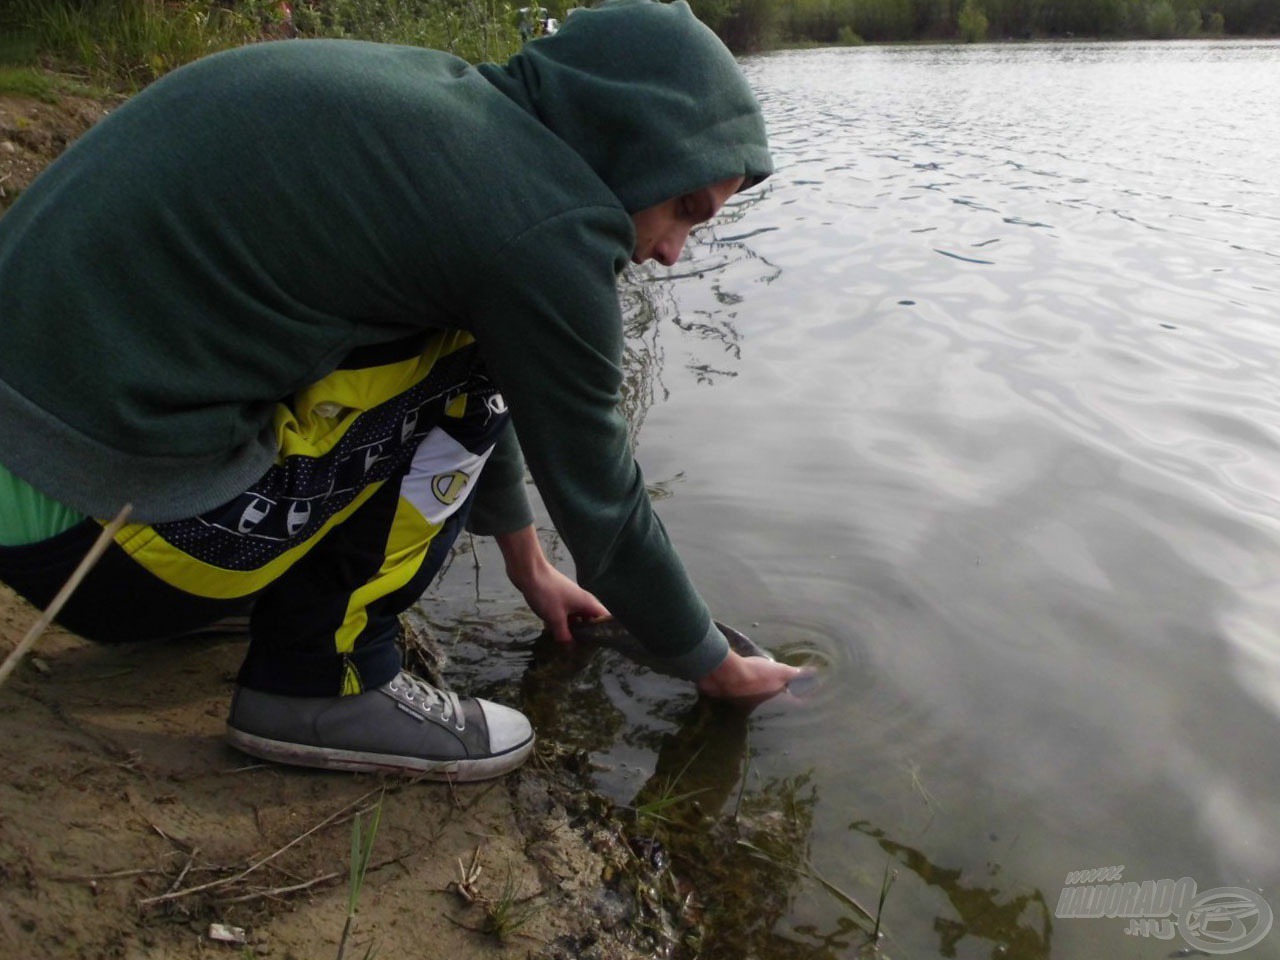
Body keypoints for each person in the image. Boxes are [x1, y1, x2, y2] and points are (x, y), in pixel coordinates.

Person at [0, 0, 800, 782]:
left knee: (463, 346)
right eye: (683, 208)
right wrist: (710, 661)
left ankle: (276, 595)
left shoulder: (448, 121)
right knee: (468, 365)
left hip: (40, 479)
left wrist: (530, 570)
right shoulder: (545, 225)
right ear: (631, 141)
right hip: (95, 540)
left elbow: (484, 342)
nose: (671, 253)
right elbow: (606, 507)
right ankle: (323, 683)